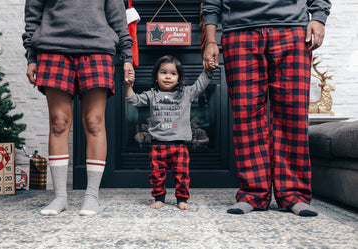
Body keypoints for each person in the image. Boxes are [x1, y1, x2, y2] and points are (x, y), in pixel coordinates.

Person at [202, 0, 331, 216]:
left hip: (292, 29)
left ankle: (294, 194)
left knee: (293, 114)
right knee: (246, 116)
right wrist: (211, 40)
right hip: (239, 32)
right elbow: (211, 2)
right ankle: (252, 193)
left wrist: (318, 17)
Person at [22, 0, 135, 216]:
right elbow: (33, 14)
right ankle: (60, 197)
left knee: (94, 122)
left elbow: (118, 16)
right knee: (58, 122)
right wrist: (31, 55)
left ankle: (91, 196)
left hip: (98, 49)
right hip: (52, 49)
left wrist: (127, 55)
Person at [125, 55, 213, 210]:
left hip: (179, 146)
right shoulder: (152, 95)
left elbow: (200, 85)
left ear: (179, 78)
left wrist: (208, 70)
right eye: (163, 72)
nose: (168, 76)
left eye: (173, 73)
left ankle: (181, 199)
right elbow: (134, 100)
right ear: (156, 77)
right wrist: (128, 86)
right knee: (156, 175)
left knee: (182, 175)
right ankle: (159, 198)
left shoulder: (186, 93)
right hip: (157, 145)